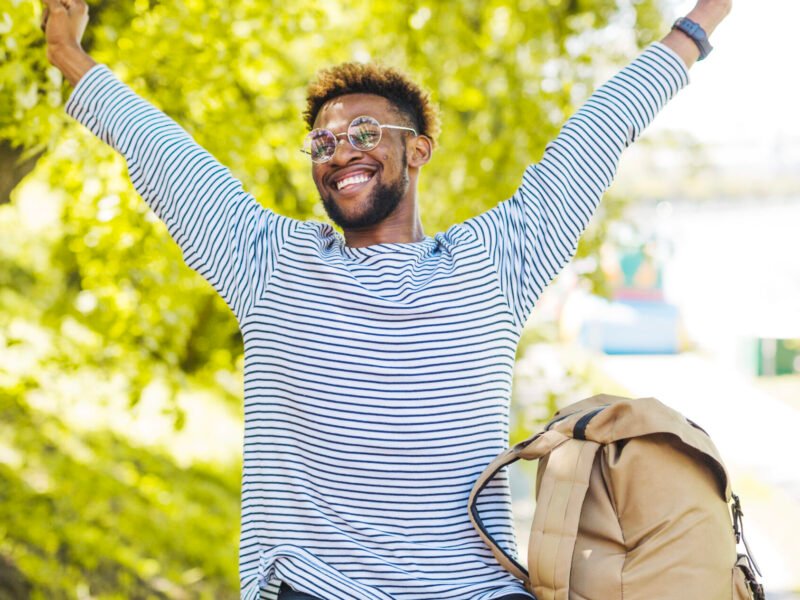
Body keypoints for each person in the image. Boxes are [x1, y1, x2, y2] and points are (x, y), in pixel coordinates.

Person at [41, 0, 731, 598]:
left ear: (419, 150)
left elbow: (598, 130)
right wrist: (68, 55)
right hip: (317, 587)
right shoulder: (268, 261)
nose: (340, 150)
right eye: (324, 141)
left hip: (474, 591)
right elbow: (163, 151)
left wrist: (699, 23)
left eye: (366, 133)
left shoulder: (496, 261)